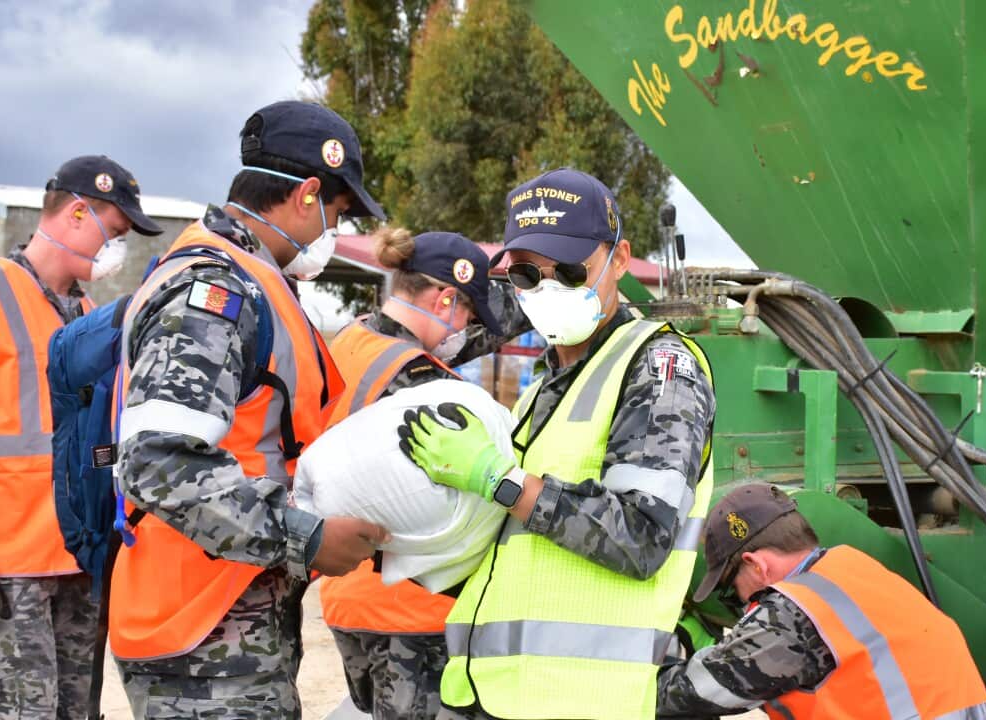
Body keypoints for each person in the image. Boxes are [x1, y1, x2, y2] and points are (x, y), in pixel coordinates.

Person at [398, 167, 717, 720]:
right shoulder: (544, 387)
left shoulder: (660, 369)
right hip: (494, 693)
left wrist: (503, 482)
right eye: (525, 274)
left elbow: (641, 537)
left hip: (585, 701)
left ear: (619, 260)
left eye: (569, 270)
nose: (545, 289)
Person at [109, 101, 389, 719]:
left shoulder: (247, 281)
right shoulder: (214, 292)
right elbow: (157, 464)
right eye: (337, 214)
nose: (330, 234)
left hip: (225, 614)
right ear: (307, 194)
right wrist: (309, 538)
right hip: (202, 633)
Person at [0, 155, 162, 718]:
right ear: (77, 213)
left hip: (78, 565)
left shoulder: (85, 313)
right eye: (115, 231)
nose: (119, 247)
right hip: (8, 572)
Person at [321, 226, 529, 719]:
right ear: (444, 299)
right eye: (467, 314)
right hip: (413, 608)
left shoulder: (354, 338)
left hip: (348, 594)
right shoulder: (421, 382)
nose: (468, 329)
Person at [656, 483, 986, 720]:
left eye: (732, 589)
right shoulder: (854, 569)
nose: (741, 603)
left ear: (756, 566)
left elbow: (697, 690)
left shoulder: (795, 612)